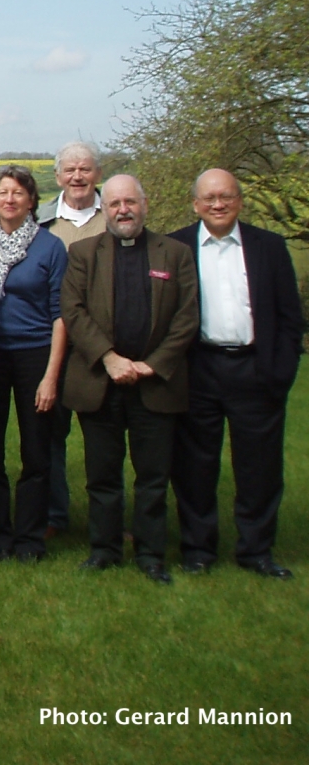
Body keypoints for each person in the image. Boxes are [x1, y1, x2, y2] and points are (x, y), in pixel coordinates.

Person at [62, 174, 199, 584]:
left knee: (153, 477)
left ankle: (151, 553)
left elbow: (187, 316)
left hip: (155, 382)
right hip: (100, 381)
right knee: (102, 475)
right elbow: (73, 310)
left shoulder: (175, 253)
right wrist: (109, 358)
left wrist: (153, 364)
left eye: (130, 202)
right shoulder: (84, 253)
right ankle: (104, 549)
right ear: (104, 209)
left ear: (145, 204)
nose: (123, 210)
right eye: (115, 203)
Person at [170, 169, 303, 579]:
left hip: (255, 369)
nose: (218, 204)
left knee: (259, 467)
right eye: (209, 198)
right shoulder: (175, 246)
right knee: (195, 466)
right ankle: (198, 550)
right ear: (195, 204)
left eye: (226, 196)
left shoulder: (269, 246)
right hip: (199, 368)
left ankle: (256, 551)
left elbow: (290, 316)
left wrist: (280, 370)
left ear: (239, 201)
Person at [0, 165, 68, 561]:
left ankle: (29, 537)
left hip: (35, 354)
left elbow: (61, 315)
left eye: (19, 193)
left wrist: (51, 377)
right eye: (3, 192)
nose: (10, 199)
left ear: (31, 201)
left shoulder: (50, 247)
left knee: (36, 451)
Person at [38, 140, 107, 538]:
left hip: (106, 346)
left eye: (85, 169)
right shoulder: (42, 223)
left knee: (105, 439)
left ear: (98, 173)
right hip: (55, 347)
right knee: (50, 436)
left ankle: (108, 519)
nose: (78, 176)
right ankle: (53, 515)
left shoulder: (116, 215)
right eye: (70, 170)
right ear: (58, 176)